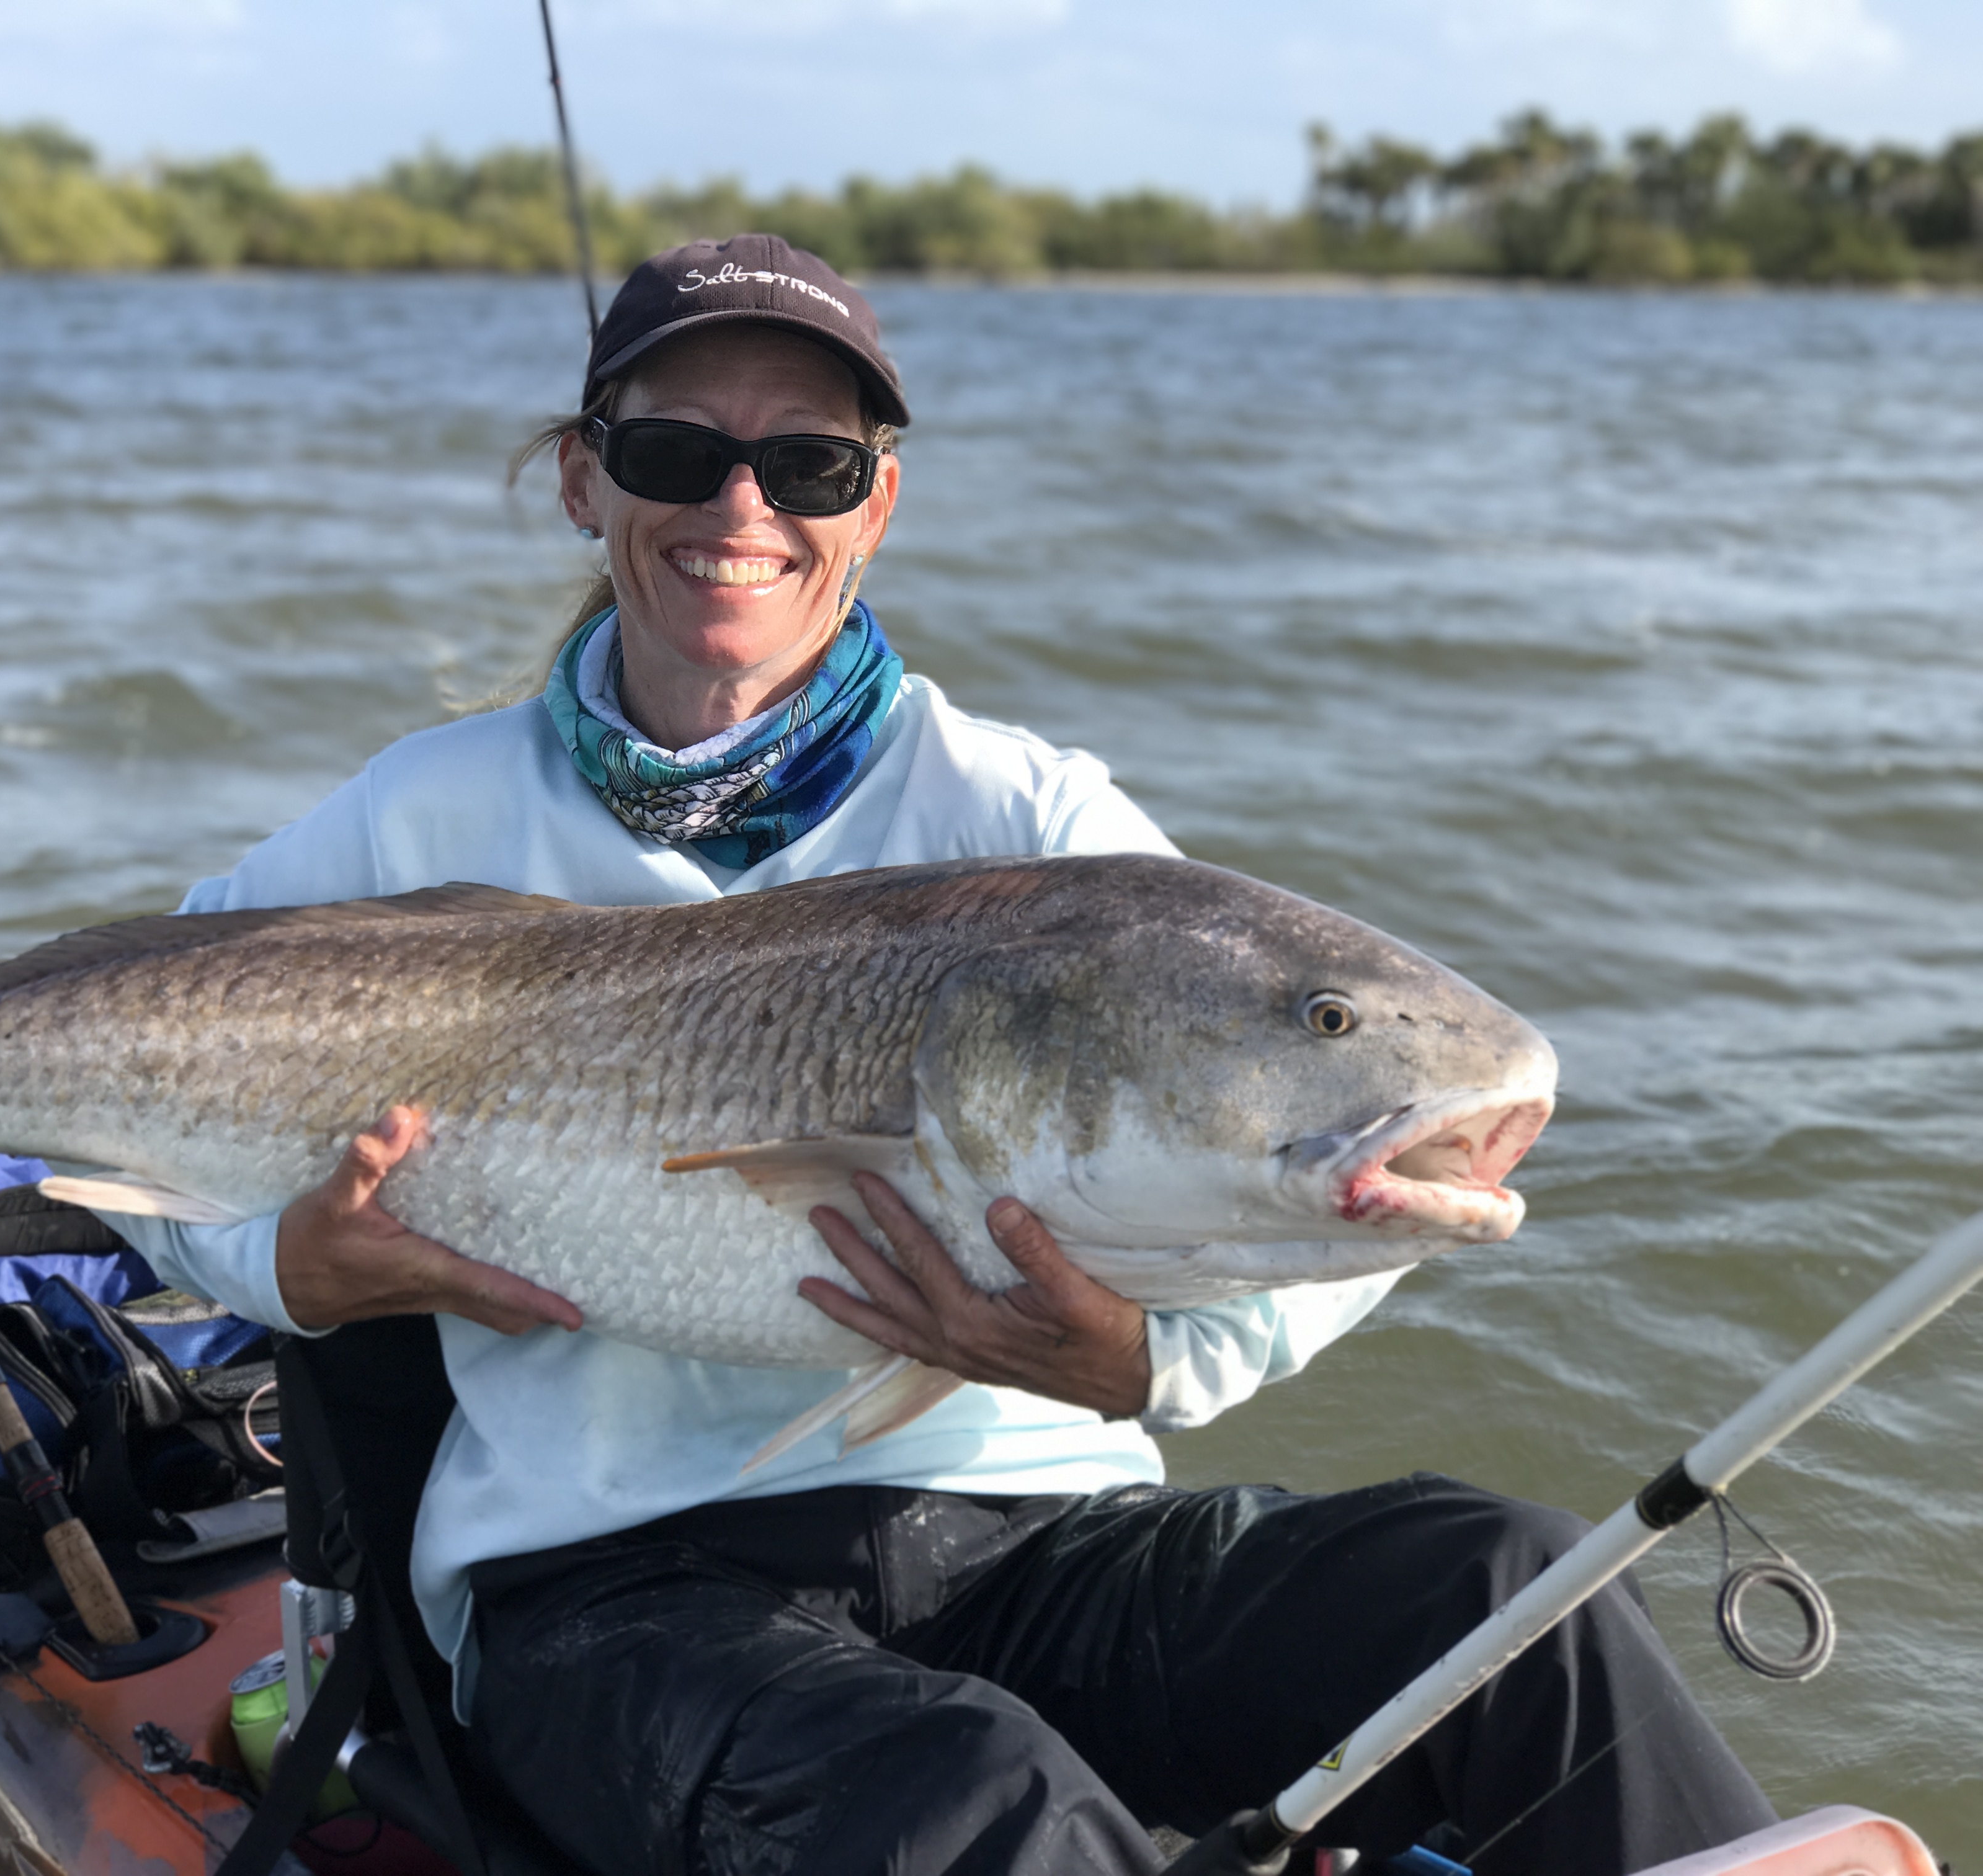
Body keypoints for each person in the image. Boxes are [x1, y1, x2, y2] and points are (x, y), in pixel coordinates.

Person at [103, 235, 1776, 1876]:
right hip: (610, 1598)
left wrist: (1136, 1366)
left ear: (874, 505)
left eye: (809, 463)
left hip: (1038, 1542)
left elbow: (1307, 1165)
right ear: (581, 481)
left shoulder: (1033, 823)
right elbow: (111, 1107)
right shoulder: (421, 815)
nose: (740, 507)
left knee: (1506, 1590)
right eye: (676, 451)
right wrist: (291, 1267)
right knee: (970, 1794)